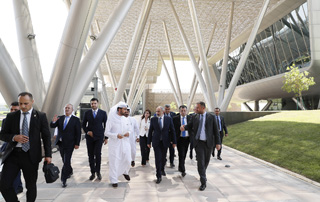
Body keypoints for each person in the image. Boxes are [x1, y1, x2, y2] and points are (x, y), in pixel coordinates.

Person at [0, 92, 52, 202]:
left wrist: (48, 155)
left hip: (31, 156)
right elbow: (2, 134)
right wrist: (14, 137)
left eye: (26, 103)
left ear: (32, 102)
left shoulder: (40, 116)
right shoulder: (11, 116)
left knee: (31, 186)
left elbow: (46, 137)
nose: (23, 106)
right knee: (4, 184)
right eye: (20, 103)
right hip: (13, 155)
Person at [181, 101, 221, 191]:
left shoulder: (212, 117)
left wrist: (218, 143)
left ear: (203, 108)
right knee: (200, 162)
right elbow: (189, 125)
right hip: (198, 143)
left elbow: (216, 131)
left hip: (209, 143)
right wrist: (184, 127)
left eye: (198, 107)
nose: (196, 109)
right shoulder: (195, 117)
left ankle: (203, 174)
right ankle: (203, 182)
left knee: (206, 162)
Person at [50, 103, 81, 188]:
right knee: (64, 160)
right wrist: (53, 121)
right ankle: (70, 170)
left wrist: (77, 143)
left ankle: (63, 179)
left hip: (70, 144)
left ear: (72, 110)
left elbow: (78, 133)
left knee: (66, 160)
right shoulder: (60, 118)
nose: (67, 109)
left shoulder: (76, 120)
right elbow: (52, 125)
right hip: (61, 143)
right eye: (66, 108)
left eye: (69, 108)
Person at [105, 102, 131, 188]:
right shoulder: (111, 119)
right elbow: (106, 132)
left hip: (125, 143)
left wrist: (129, 133)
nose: (126, 111)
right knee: (114, 162)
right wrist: (116, 135)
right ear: (119, 109)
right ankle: (114, 180)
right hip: (115, 144)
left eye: (126, 109)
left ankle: (125, 171)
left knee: (128, 159)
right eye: (124, 109)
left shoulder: (125, 119)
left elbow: (130, 129)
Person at [147, 106, 176, 184]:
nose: (157, 113)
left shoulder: (168, 119)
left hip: (165, 142)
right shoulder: (153, 119)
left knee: (163, 158)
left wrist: (174, 142)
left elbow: (172, 130)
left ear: (163, 112)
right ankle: (158, 175)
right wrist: (148, 142)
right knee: (158, 158)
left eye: (158, 111)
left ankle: (162, 169)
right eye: (156, 111)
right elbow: (150, 131)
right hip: (156, 142)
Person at [0, 101, 23, 195]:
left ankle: (17, 187)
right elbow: (3, 135)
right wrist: (13, 137)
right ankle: (17, 187)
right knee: (13, 171)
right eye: (11, 109)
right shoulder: (6, 120)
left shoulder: (25, 121)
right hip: (9, 149)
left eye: (15, 110)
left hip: (23, 150)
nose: (12, 111)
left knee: (17, 171)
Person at [82, 98, 108, 180]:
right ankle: (92, 172)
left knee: (98, 154)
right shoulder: (87, 113)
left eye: (95, 103)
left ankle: (98, 172)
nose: (93, 105)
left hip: (99, 137)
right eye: (92, 103)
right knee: (90, 155)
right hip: (90, 137)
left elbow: (106, 125)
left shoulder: (103, 113)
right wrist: (87, 132)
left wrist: (106, 137)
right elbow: (83, 125)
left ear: (98, 103)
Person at [173, 105, 191, 177]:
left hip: (187, 139)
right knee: (181, 154)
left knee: (185, 154)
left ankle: (180, 166)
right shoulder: (175, 119)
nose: (183, 112)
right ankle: (183, 170)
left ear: (186, 111)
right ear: (179, 111)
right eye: (182, 111)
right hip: (179, 139)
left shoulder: (190, 118)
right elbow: (173, 130)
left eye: (184, 111)